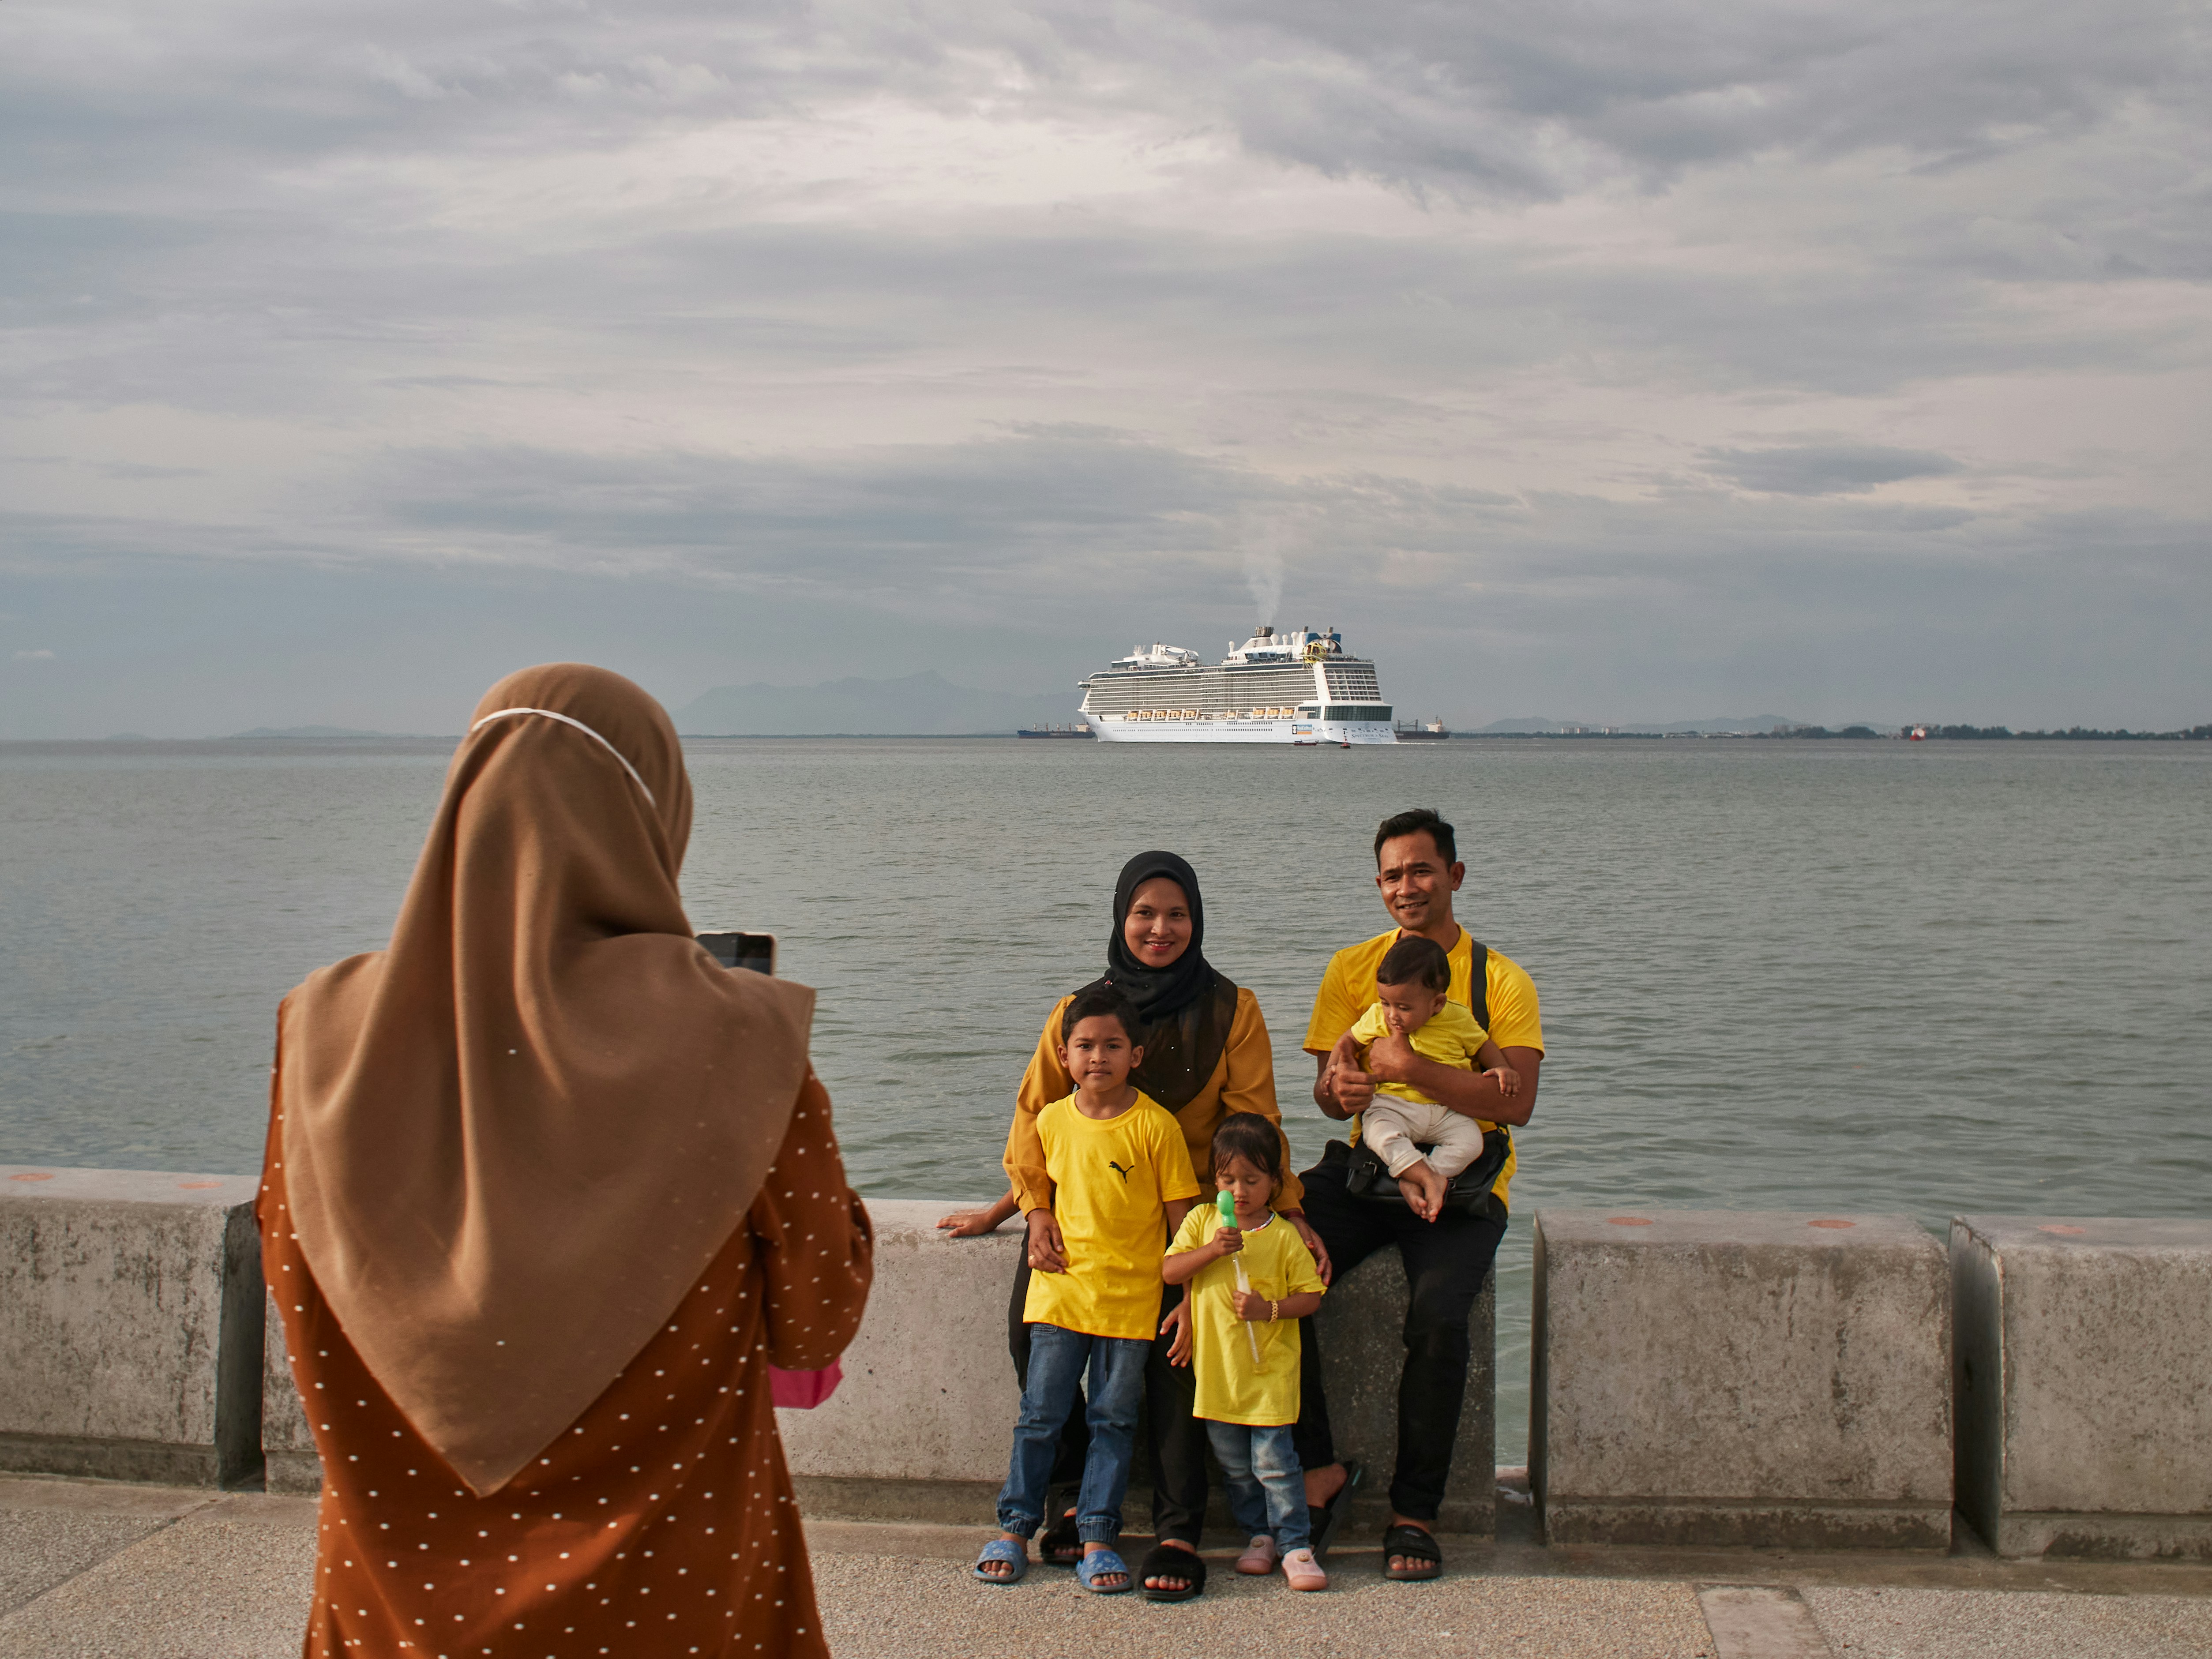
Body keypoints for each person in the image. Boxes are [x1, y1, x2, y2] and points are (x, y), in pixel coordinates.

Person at [259, 663, 873, 1659]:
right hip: (673, 1600)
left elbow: (297, 1286)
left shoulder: (321, 1028)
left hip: (396, 1604)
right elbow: (815, 1320)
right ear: (652, 820)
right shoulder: (739, 1037)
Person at [939, 849, 1329, 1600]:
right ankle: (1072, 1499)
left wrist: (1286, 1209)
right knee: (1032, 1340)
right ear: (1120, 919)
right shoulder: (1081, 1010)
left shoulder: (1232, 1008)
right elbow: (1033, 1119)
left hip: (1191, 1216)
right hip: (1082, 1216)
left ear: (1197, 920)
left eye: (1176, 914)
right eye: (1143, 913)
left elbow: (1255, 1120)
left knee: (1179, 1352)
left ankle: (1178, 1525)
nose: (1160, 928)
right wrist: (1030, 1209)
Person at [1295, 807, 1544, 1582]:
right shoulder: (1352, 970)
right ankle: (1315, 1471)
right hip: (1368, 1167)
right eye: (1393, 875)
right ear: (1378, 887)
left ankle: (1414, 1513)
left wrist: (1411, 1072)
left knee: (1438, 1319)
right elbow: (1327, 1098)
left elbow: (1516, 1103)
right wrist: (1340, 1089)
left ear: (1454, 877)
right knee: (1270, 1258)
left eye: (1421, 871)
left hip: (1464, 1186)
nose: (1407, 887)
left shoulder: (1498, 981)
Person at [973, 984, 1199, 1593]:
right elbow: (1034, 1190)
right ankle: (1015, 1525)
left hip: (1131, 1303)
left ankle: (1099, 1534)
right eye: (1084, 1046)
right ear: (1064, 1057)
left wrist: (1191, 1302)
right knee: (1040, 1416)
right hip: (1060, 1295)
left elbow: (1184, 1224)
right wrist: (1009, 1216)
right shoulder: (1050, 1121)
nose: (1097, 1057)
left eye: (1112, 1046)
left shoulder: (1157, 1127)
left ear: (1137, 1056)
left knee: (1113, 1421)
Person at [1162, 1114, 1329, 1592]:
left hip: (1270, 1372)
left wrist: (1267, 1308)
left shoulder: (1283, 1236)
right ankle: (1259, 1535)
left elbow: (1310, 1296)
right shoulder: (1202, 1221)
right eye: (1229, 1180)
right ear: (1215, 1181)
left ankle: (1296, 1543)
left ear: (1275, 1182)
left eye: (1252, 1181)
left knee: (1276, 1463)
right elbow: (1171, 1271)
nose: (1240, 1191)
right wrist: (1212, 1250)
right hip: (1219, 1374)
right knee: (1235, 1465)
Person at [1333, 934, 1523, 1221]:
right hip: (1396, 1104)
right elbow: (1348, 1040)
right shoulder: (1377, 1017)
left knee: (1471, 1142)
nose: (1392, 1016)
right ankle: (1425, 1176)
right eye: (1385, 1003)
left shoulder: (1457, 1018)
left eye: (1404, 1008)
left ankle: (1419, 1177)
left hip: (1445, 1111)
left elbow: (1483, 1046)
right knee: (1378, 1132)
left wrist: (1502, 1067)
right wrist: (1340, 1065)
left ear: (1437, 1004)